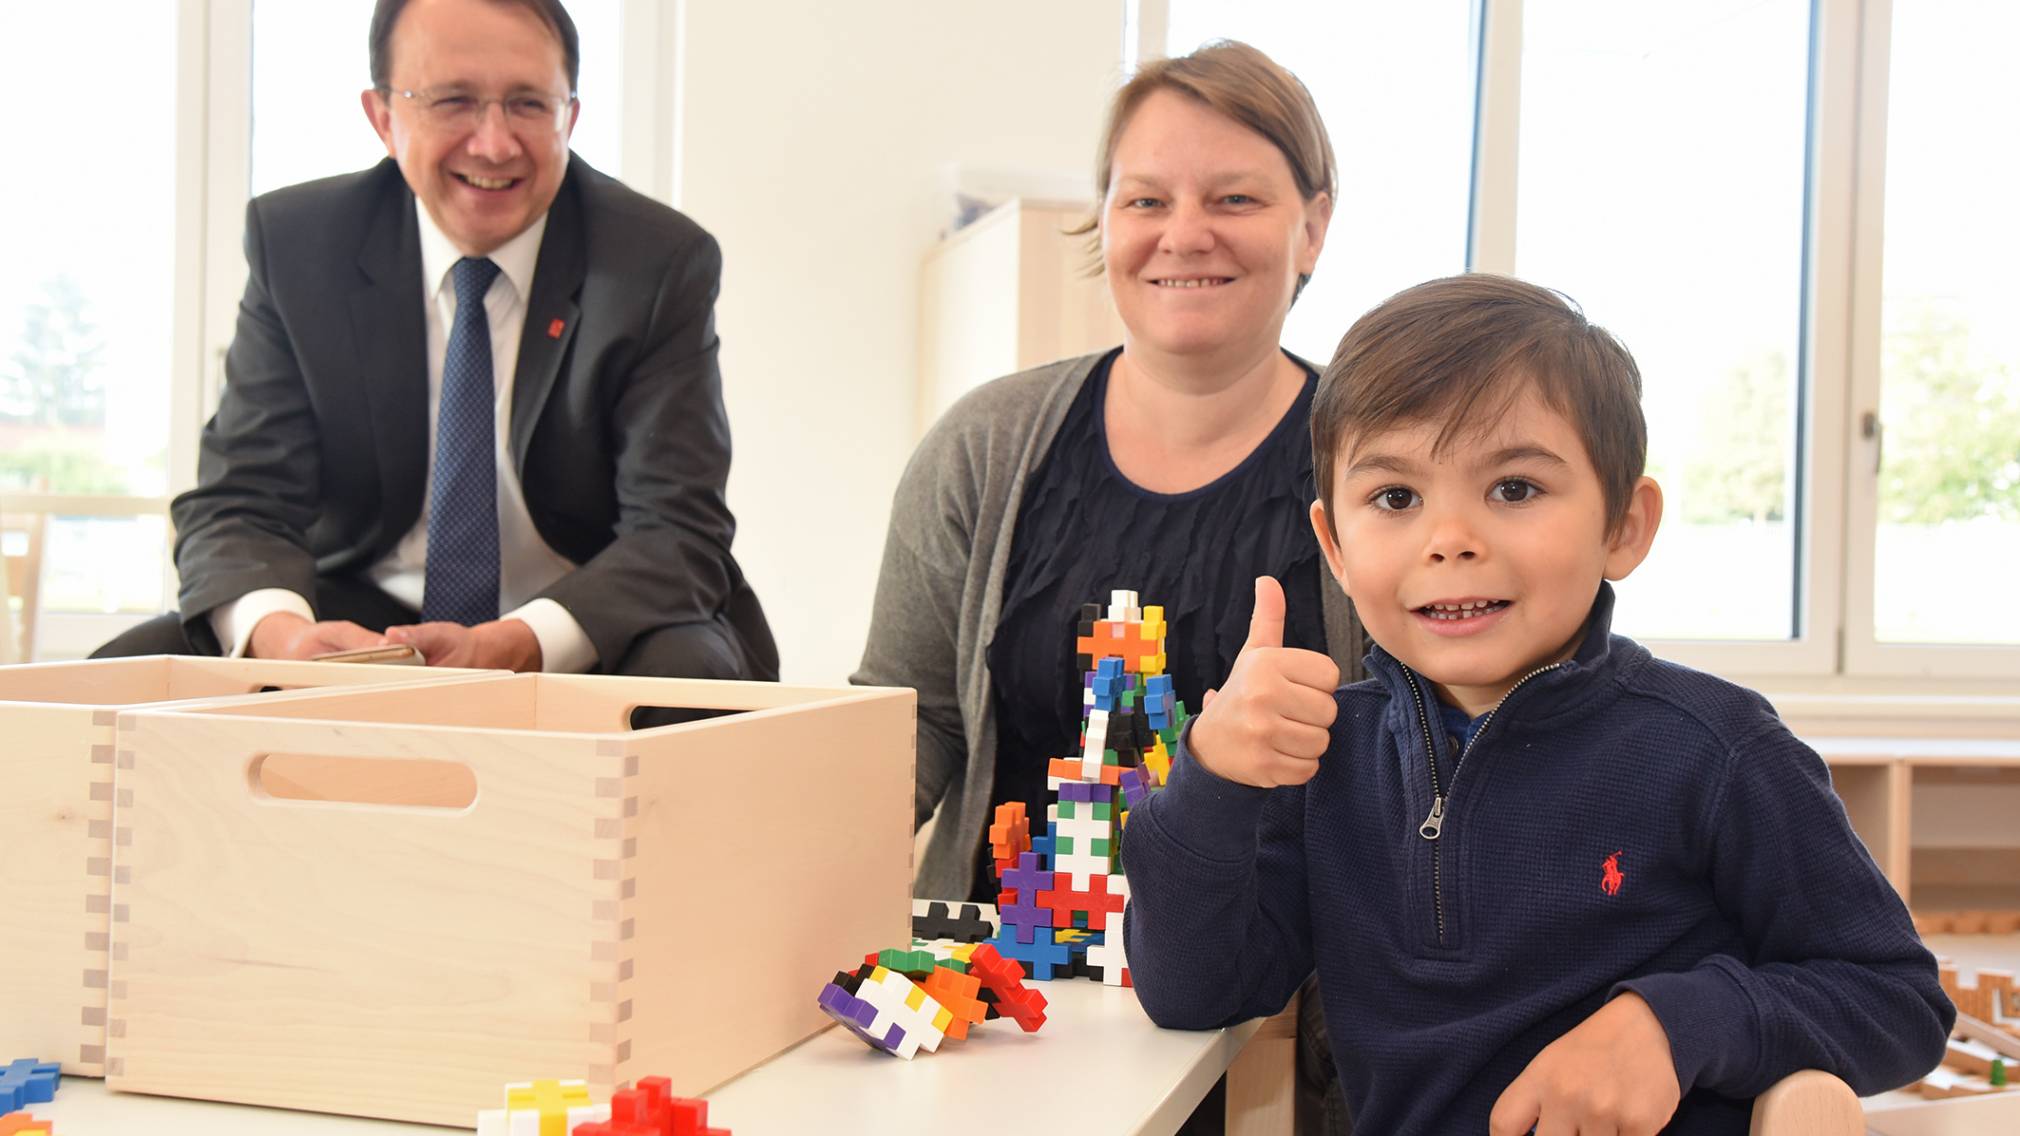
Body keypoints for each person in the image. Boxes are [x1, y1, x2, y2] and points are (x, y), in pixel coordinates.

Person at [1122, 273, 1954, 1134]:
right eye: (1396, 498)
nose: (1451, 540)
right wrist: (1211, 778)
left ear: (1624, 526)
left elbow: (1896, 1000)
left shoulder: (1719, 749)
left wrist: (1674, 1023)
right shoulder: (1324, 760)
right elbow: (1193, 991)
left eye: (1514, 488)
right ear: (1333, 544)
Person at [853, 38, 1356, 1133]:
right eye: (1145, 199)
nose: (1185, 233)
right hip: (997, 1020)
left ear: (1311, 224)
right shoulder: (983, 450)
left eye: (1234, 195)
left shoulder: (1377, 470)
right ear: (1105, 221)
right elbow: (904, 728)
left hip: (1263, 1038)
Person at [92, 0, 776, 684]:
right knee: (120, 675)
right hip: (364, 617)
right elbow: (241, 500)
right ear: (384, 118)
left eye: (529, 104)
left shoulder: (654, 260)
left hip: (589, 623)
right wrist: (285, 636)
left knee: (689, 678)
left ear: (570, 115)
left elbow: (678, 530)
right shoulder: (300, 246)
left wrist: (520, 642)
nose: (495, 143)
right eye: (454, 101)